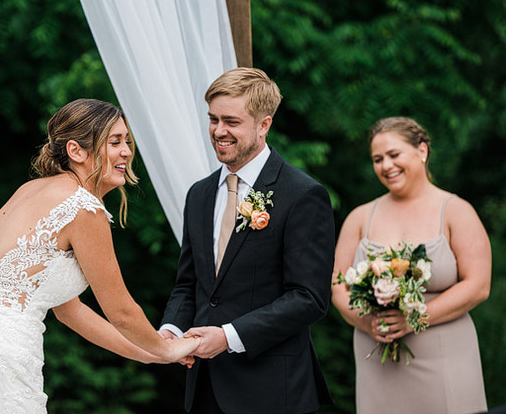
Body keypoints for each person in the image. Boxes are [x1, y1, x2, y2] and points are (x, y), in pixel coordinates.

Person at [0, 98, 199, 413]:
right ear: (76, 151)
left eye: (127, 141)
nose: (126, 151)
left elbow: (69, 311)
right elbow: (121, 311)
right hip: (0, 357)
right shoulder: (83, 208)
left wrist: (146, 351)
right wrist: (166, 349)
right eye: (114, 142)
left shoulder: (29, 192)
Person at [160, 67, 335, 414]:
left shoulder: (302, 195)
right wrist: (169, 330)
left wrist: (227, 337)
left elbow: (308, 297)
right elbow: (189, 283)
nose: (218, 132)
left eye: (231, 122)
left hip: (271, 390)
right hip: (204, 386)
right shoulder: (199, 194)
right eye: (213, 119)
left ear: (264, 124)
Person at [332, 116, 490, 414]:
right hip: (377, 361)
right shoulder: (360, 217)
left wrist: (416, 318)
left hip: (446, 358)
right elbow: (338, 284)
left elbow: (478, 286)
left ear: (422, 151)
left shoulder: (456, 211)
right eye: (377, 159)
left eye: (393, 155)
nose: (385, 166)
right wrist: (367, 322)